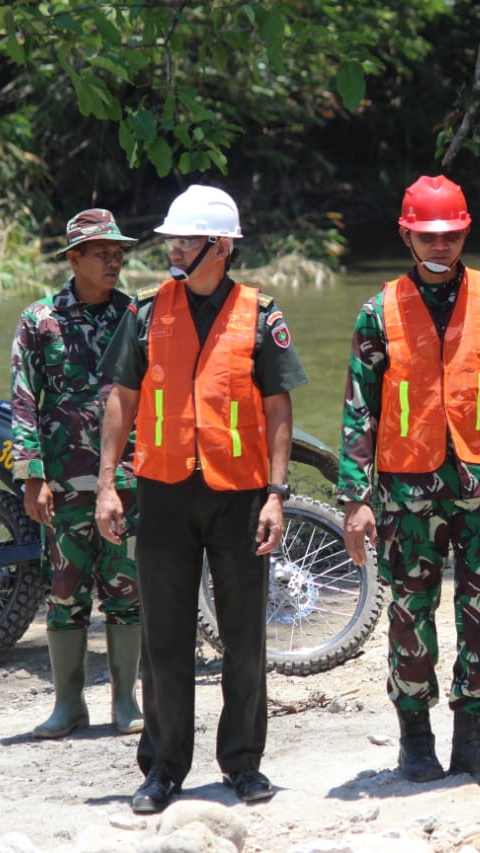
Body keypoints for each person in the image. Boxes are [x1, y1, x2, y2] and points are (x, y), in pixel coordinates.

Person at [94, 185, 307, 814]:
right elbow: (122, 400)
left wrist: (276, 495)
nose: (174, 250)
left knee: (244, 639)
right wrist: (107, 485)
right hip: (162, 493)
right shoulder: (145, 312)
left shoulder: (260, 315)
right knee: (163, 639)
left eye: (186, 240)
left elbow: (278, 409)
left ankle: (242, 762)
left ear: (220, 246)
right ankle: (163, 768)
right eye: (172, 240)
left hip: (240, 496)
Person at [339, 175, 480, 786]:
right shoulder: (379, 310)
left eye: (451, 234)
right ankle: (415, 742)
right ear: (406, 235)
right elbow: (358, 409)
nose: (441, 245)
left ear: (465, 233)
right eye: (428, 235)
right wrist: (355, 499)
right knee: (410, 613)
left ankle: (472, 742)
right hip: (408, 489)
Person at [11, 208, 143, 740]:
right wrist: (33, 476)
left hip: (126, 479)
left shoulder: (134, 315)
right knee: (64, 591)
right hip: (64, 481)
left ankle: (126, 702)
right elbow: (24, 400)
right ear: (73, 258)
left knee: (126, 589)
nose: (114, 261)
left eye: (118, 253)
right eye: (101, 253)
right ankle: (68, 705)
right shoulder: (40, 319)